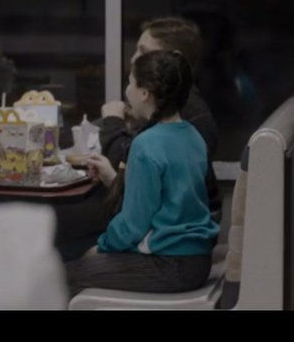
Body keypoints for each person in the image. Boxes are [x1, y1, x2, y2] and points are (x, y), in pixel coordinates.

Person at [65, 51, 218, 295]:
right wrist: (113, 178)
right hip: (198, 260)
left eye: (130, 82)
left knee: (61, 278)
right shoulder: (193, 135)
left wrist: (101, 247)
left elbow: (132, 225)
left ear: (145, 93)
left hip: (169, 264)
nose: (127, 90)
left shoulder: (146, 144)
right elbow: (169, 199)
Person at [98, 17, 222, 223]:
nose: (133, 59)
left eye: (144, 52)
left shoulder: (190, 118)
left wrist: (112, 122)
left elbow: (131, 165)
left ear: (174, 58)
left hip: (178, 229)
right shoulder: (173, 105)